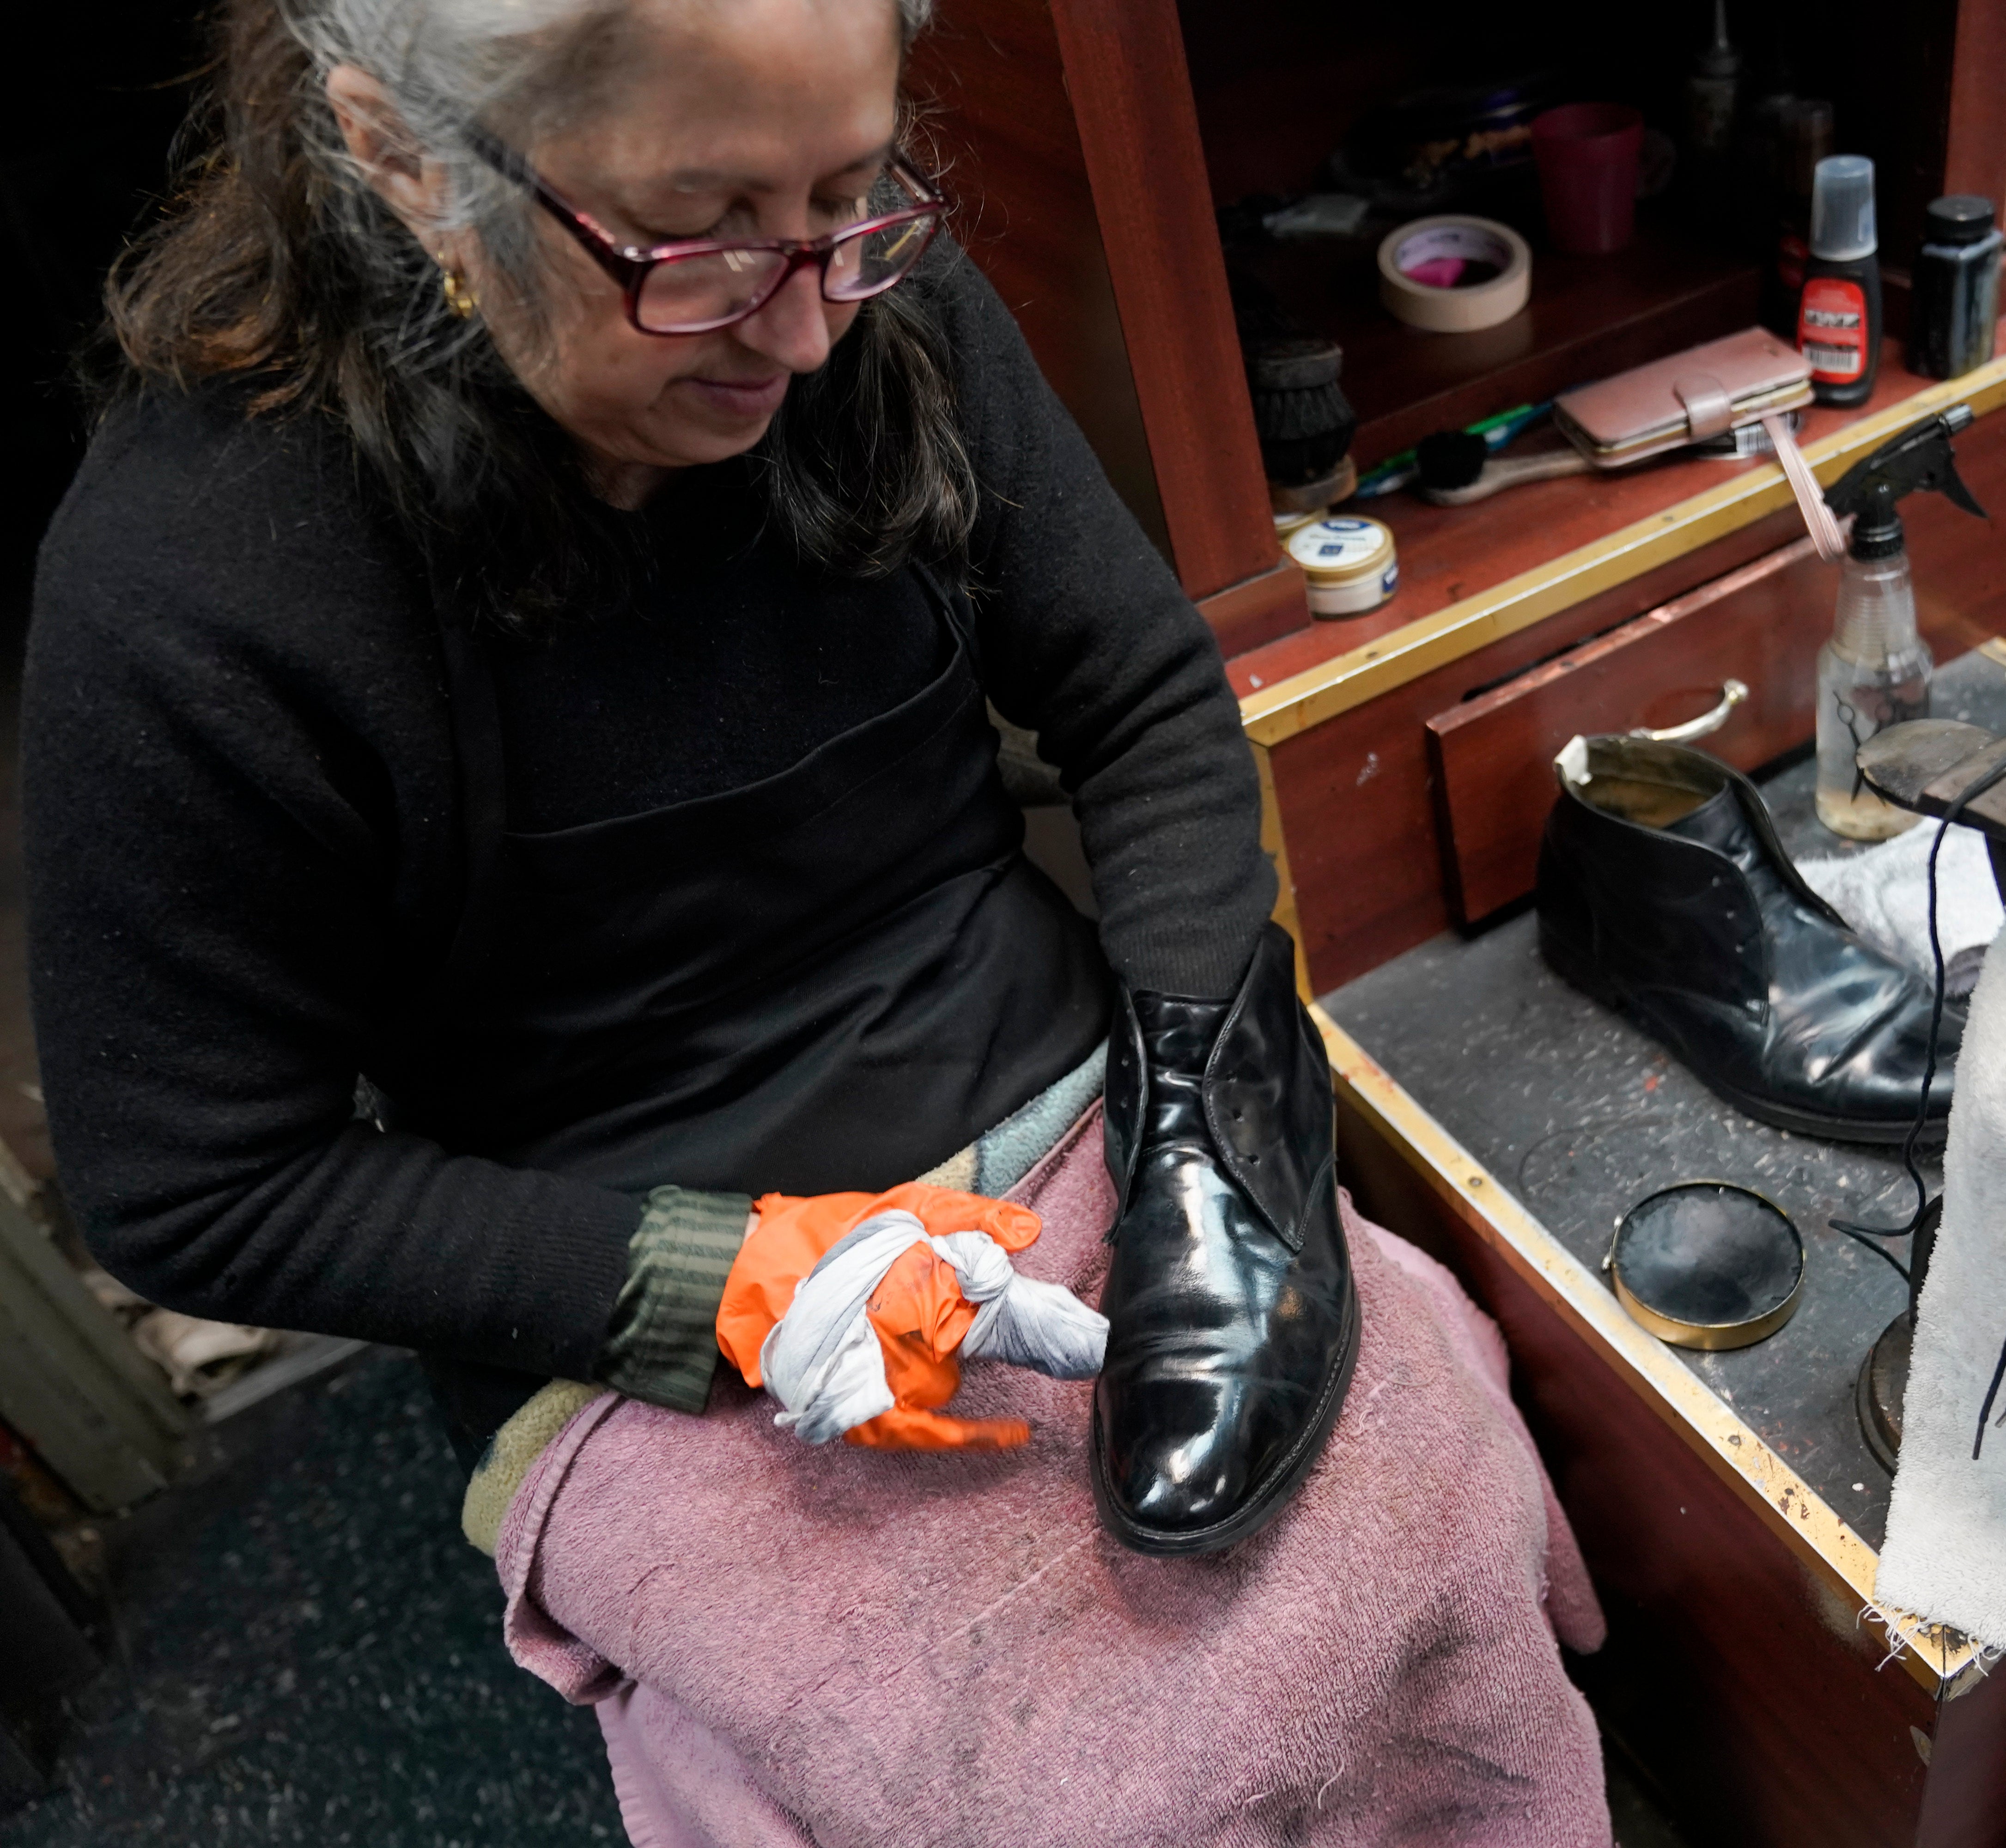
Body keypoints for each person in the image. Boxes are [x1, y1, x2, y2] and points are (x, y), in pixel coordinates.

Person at [26, 0, 1611, 1837]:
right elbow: (197, 1184)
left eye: (852, 200)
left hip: (1070, 1091)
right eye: (696, 245)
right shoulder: (196, 590)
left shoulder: (869, 310)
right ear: (404, 161)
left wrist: (1205, 1124)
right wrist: (726, 1283)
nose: (804, 325)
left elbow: (1144, 700)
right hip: (620, 1231)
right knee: (1059, 1785)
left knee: (1435, 1545)